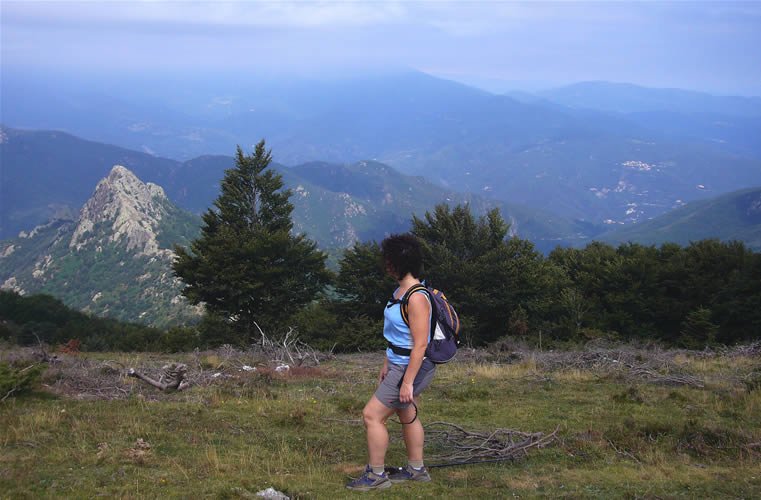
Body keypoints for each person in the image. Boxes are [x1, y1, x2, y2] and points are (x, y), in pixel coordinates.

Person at [346, 233, 436, 491]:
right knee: (407, 413)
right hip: (398, 364)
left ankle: (376, 476)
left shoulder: (417, 297)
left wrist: (407, 382)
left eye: (389, 261)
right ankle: (417, 471)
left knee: (372, 415)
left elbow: (420, 344)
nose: (385, 265)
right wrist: (387, 363)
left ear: (400, 263)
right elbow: (398, 335)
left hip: (410, 367)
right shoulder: (400, 291)